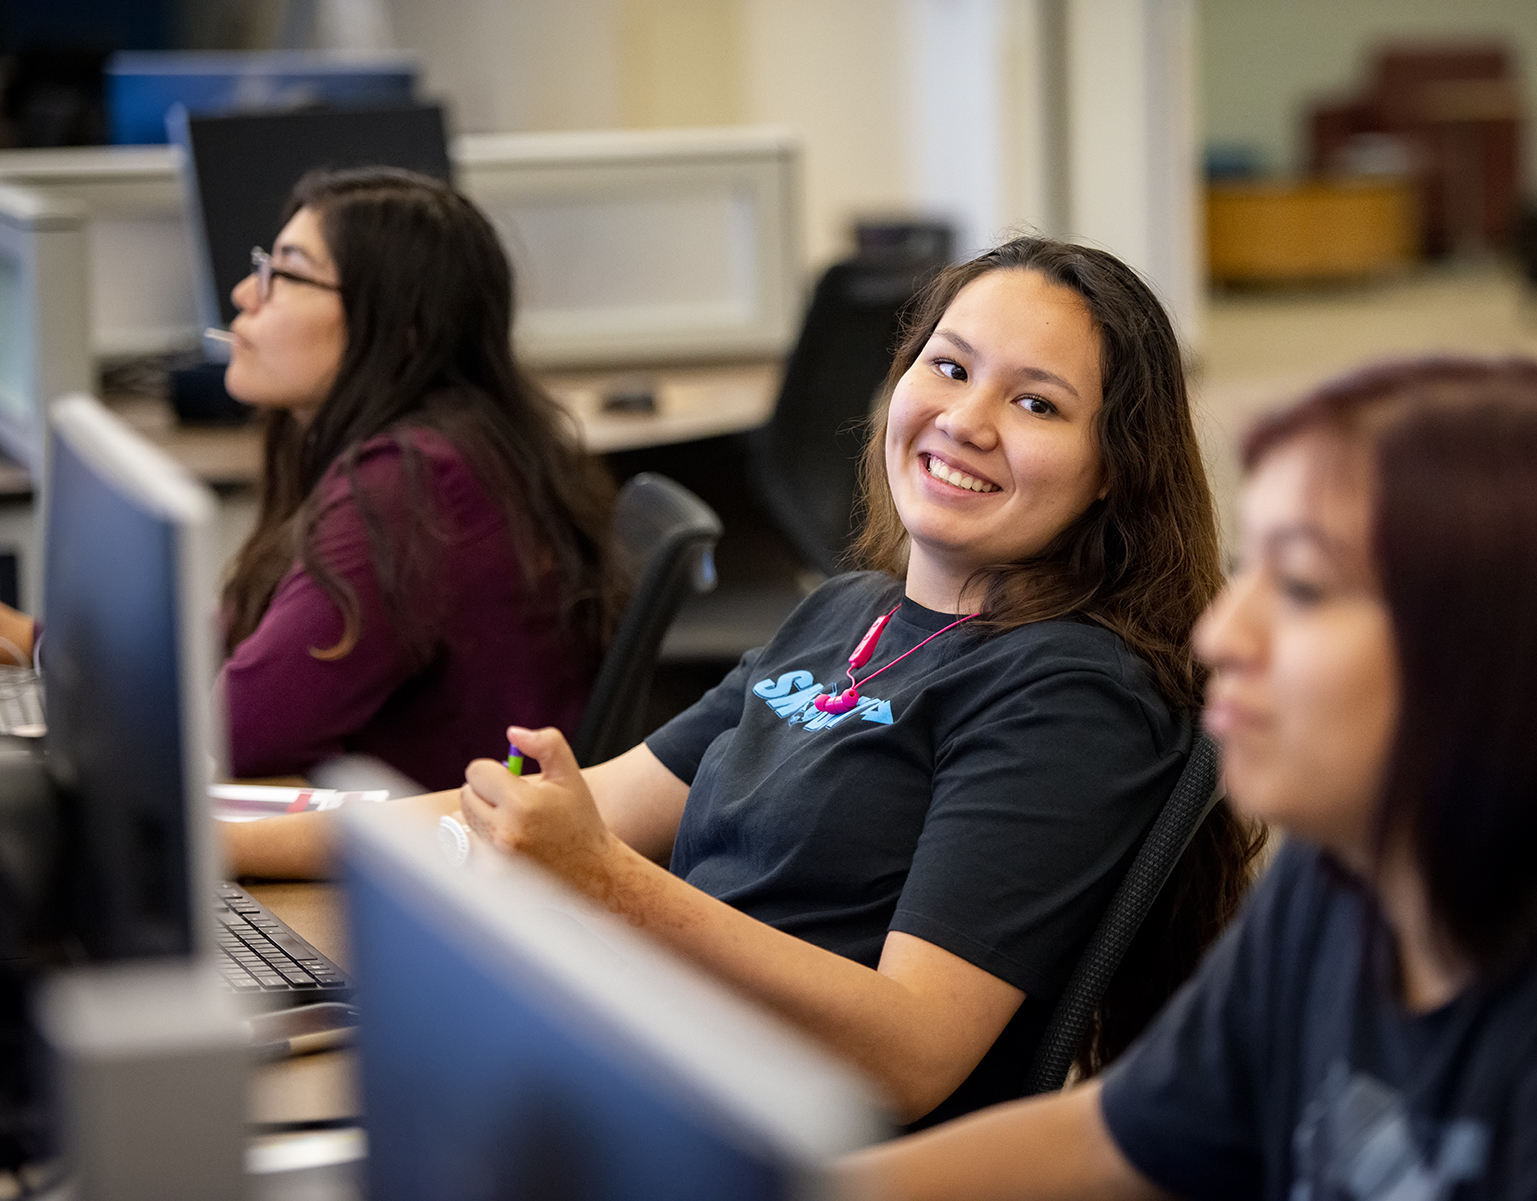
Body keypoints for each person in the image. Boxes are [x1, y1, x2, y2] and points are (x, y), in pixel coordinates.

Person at [225, 237, 1265, 1127]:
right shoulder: (848, 612)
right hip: (647, 1054)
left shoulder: (1071, 694)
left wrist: (605, 882)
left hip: (757, 1133)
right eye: (948, 369)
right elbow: (574, 808)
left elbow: (912, 1051)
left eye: (1036, 402)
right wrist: (218, 841)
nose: (968, 420)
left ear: (1114, 466)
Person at [838, 357, 1537, 1197]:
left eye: (1299, 586)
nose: (1221, 636)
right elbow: (1118, 1136)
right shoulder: (1355, 863)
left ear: (1500, 647)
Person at [20, 167, 621, 790]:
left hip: (426, 862)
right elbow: (242, 636)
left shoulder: (410, 487)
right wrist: (33, 641)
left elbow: (234, 736)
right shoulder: (449, 444)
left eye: (285, 274)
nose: (245, 295)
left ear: (400, 326)